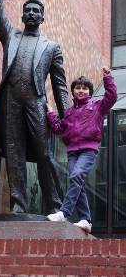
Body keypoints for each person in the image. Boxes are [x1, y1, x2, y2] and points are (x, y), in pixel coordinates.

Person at [0, 0, 69, 214]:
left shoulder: (51, 47)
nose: (31, 13)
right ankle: (18, 203)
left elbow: (60, 86)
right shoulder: (10, 36)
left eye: (36, 11)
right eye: (27, 10)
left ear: (43, 17)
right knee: (14, 152)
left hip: (36, 101)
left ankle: (55, 204)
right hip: (11, 100)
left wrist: (68, 116)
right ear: (22, 17)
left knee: (44, 154)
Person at [46, 67, 117, 232]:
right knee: (77, 182)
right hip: (72, 152)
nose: (81, 90)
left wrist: (108, 78)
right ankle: (86, 219)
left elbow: (112, 96)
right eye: (78, 88)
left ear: (90, 92)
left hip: (88, 150)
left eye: (84, 88)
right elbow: (58, 128)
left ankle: (64, 212)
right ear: (73, 91)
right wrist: (50, 114)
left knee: (77, 176)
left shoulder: (97, 106)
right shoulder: (69, 113)